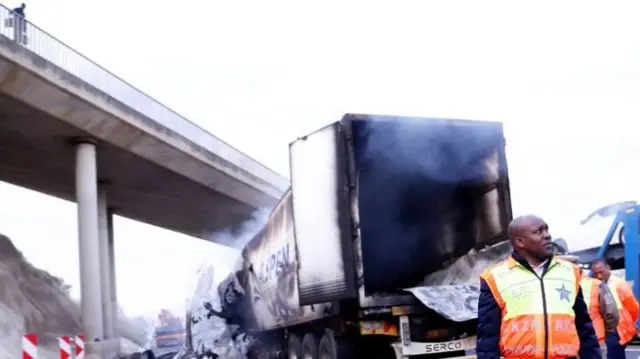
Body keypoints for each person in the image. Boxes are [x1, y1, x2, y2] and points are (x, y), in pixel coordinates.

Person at [477, 215, 601, 359]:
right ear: (519, 242)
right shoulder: (495, 277)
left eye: (547, 230)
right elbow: (487, 336)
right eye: (538, 232)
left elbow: (584, 326)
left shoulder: (569, 272)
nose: (547, 236)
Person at [558, 255, 620, 358]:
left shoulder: (550, 287)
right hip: (593, 342)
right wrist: (604, 333)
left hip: (564, 345)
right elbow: (612, 314)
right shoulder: (598, 285)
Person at [591, 259, 639, 359]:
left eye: (601, 272)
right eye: (595, 273)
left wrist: (627, 325)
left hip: (617, 330)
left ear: (608, 268)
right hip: (606, 330)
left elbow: (634, 308)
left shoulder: (620, 285)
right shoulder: (596, 285)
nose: (599, 276)